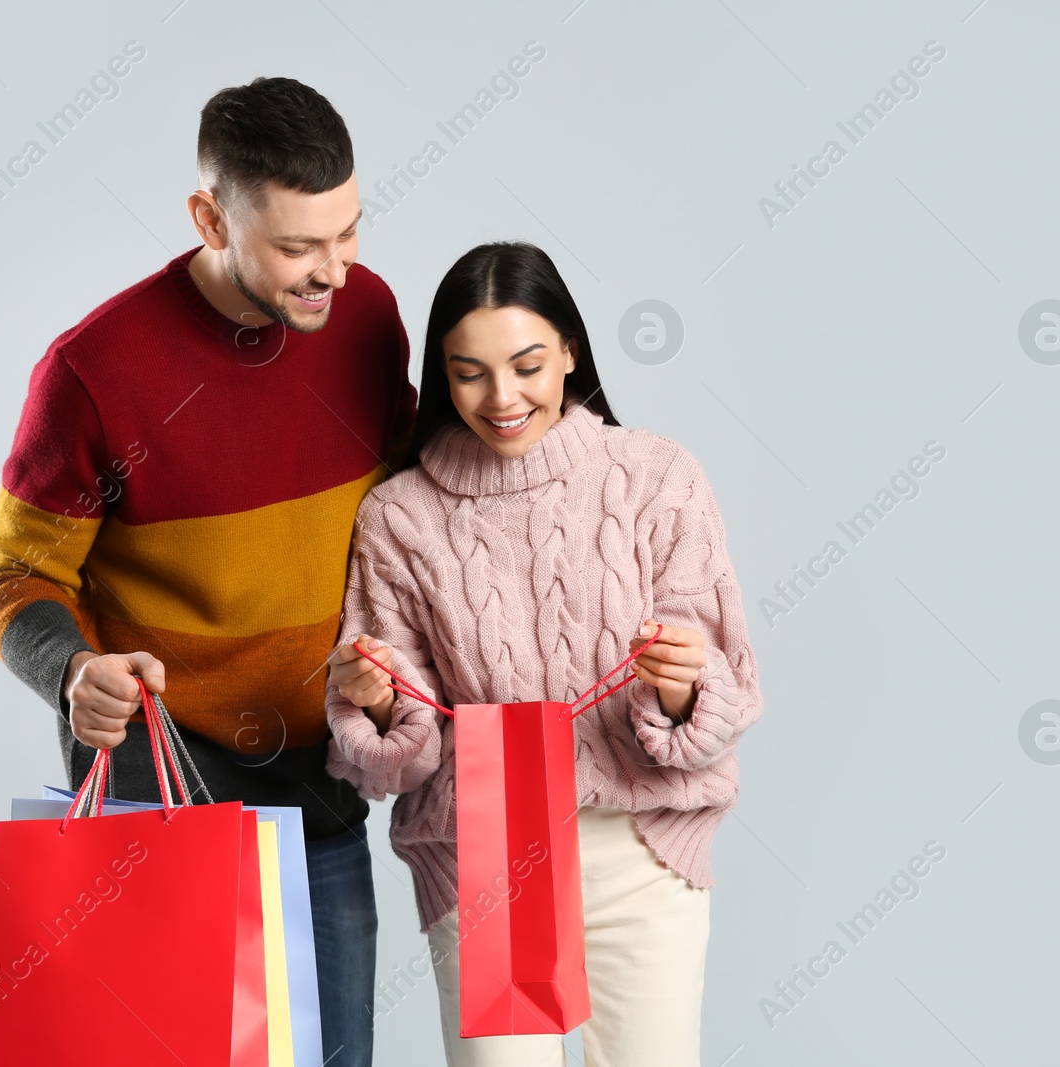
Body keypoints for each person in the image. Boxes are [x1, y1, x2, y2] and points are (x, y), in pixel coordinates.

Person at [0, 76, 415, 1067]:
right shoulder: (92, 371)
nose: (332, 272)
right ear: (209, 216)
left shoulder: (367, 313)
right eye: (297, 247)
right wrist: (71, 669)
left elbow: (412, 498)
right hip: (159, 802)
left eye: (346, 233)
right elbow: (14, 579)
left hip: (322, 791)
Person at [324, 241, 764, 1065]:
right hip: (485, 850)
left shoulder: (657, 477)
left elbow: (727, 692)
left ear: (570, 349)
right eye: (468, 373)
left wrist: (680, 687)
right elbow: (393, 759)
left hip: (641, 845)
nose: (501, 397)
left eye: (527, 364)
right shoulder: (398, 516)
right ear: (442, 378)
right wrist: (377, 701)